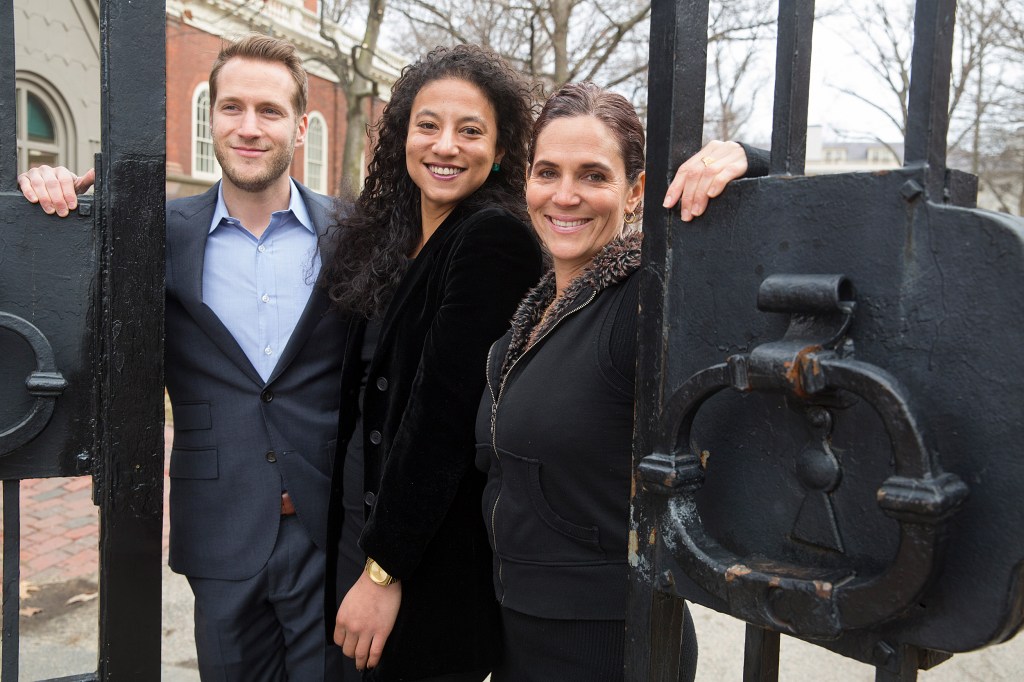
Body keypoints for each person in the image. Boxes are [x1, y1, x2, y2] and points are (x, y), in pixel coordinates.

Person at [18, 35, 347, 680]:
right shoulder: (156, 231)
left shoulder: (351, 232)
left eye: (270, 110)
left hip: (331, 527)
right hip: (220, 525)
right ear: (211, 116)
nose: (248, 127)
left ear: (300, 126)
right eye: (230, 108)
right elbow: (56, 293)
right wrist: (47, 197)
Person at [476, 82, 750, 681]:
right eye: (548, 171)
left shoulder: (644, 304)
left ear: (635, 193)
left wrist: (747, 160)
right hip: (520, 629)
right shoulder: (542, 305)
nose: (565, 195)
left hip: (608, 638)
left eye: (594, 175)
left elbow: (757, 276)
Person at [319, 44, 544, 681]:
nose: (445, 145)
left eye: (470, 130)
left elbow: (443, 418)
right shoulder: (396, 233)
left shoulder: (493, 238)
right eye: (428, 125)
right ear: (402, 135)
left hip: (425, 562)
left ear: (501, 150)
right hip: (362, 530)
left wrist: (383, 570)